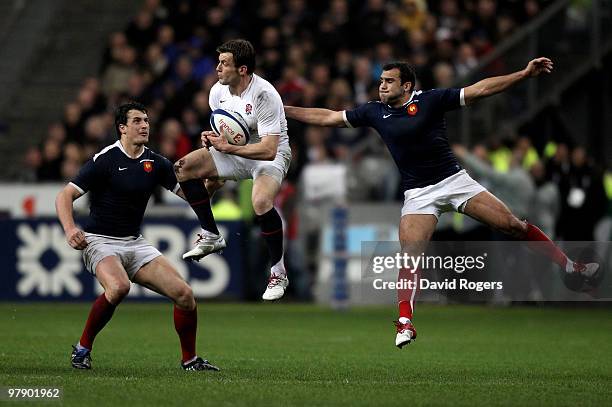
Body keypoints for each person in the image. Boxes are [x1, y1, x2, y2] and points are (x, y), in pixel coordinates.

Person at [284, 58, 600, 349]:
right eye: (381, 80)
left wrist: (523, 74)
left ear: (406, 86)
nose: (381, 86)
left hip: (454, 181)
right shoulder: (373, 112)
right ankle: (405, 323)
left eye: (389, 81)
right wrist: (284, 109)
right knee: (409, 255)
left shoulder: (430, 100)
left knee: (513, 226)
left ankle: (571, 267)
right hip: (418, 194)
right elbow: (326, 117)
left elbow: (480, 90)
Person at [55, 102, 219, 371]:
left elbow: (193, 197)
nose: (145, 125)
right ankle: (82, 349)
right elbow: (65, 195)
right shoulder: (106, 159)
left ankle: (190, 360)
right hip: (99, 240)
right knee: (119, 287)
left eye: (146, 120)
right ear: (122, 128)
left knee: (185, 295)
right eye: (137, 121)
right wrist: (70, 229)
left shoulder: (156, 162)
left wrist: (211, 185)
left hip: (135, 243)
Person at [174, 39, 292, 301]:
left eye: (224, 63)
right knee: (183, 168)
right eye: (219, 62)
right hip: (235, 151)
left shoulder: (264, 95)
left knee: (260, 201)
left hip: (269, 155)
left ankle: (278, 271)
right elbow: (227, 130)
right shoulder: (217, 91)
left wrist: (227, 148)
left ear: (242, 69)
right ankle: (210, 234)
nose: (217, 68)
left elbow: (269, 149)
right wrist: (211, 138)